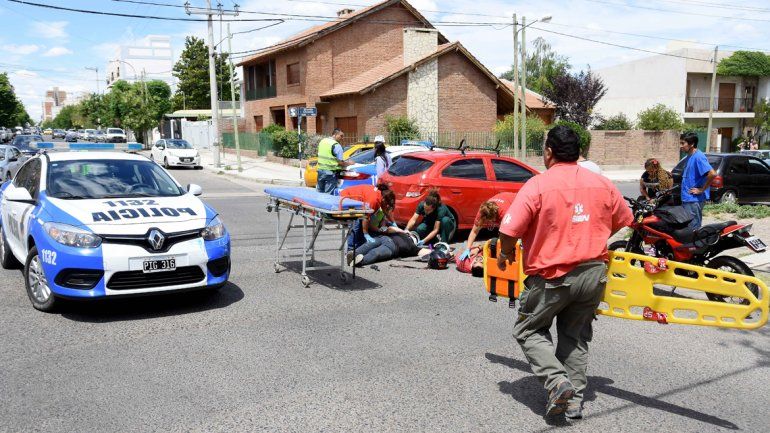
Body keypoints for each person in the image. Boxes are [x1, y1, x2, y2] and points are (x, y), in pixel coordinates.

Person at [496, 125, 633, 419]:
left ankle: (557, 382)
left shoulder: (537, 185)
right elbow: (625, 218)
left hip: (551, 277)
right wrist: (595, 234)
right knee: (575, 337)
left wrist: (506, 253)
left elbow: (508, 230)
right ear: (579, 152)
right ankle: (572, 403)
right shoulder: (602, 183)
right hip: (593, 273)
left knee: (529, 330)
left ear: (548, 152)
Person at [341, 184, 400, 250]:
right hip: (347, 198)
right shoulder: (373, 200)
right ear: (383, 200)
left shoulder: (381, 197)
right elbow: (365, 218)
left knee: (361, 225)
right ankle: (351, 249)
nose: (387, 206)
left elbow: (385, 211)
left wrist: (393, 222)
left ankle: (359, 247)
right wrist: (366, 234)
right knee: (356, 224)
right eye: (387, 204)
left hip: (356, 200)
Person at [460, 192, 516, 260]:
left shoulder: (504, 213)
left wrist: (503, 254)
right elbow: (474, 231)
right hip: (503, 199)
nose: (490, 222)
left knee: (509, 238)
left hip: (515, 202)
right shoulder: (482, 212)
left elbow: (507, 236)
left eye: (491, 220)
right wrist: (467, 249)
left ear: (495, 215)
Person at [680, 132, 716, 229]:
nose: (681, 146)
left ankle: (696, 244)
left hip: (694, 200)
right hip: (688, 199)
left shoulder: (698, 157)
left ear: (691, 144)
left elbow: (712, 174)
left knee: (693, 229)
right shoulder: (689, 156)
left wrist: (702, 189)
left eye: (683, 143)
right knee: (688, 228)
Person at [316, 128, 352, 194]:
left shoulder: (323, 141)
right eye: (341, 136)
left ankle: (316, 204)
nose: (342, 138)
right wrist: (349, 163)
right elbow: (340, 162)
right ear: (335, 135)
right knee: (328, 195)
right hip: (330, 173)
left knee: (319, 192)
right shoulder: (336, 145)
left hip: (320, 171)